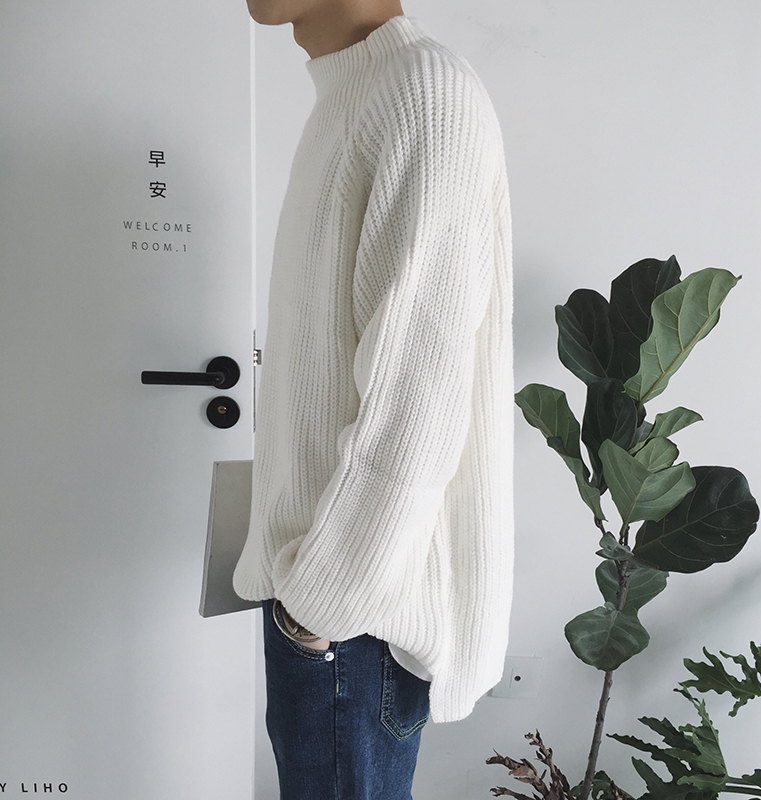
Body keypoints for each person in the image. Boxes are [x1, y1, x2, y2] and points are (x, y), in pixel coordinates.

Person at [233, 0, 515, 797]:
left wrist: (320, 604)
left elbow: (419, 403)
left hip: (352, 619)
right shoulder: (355, 91)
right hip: (328, 604)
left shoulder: (422, 93)